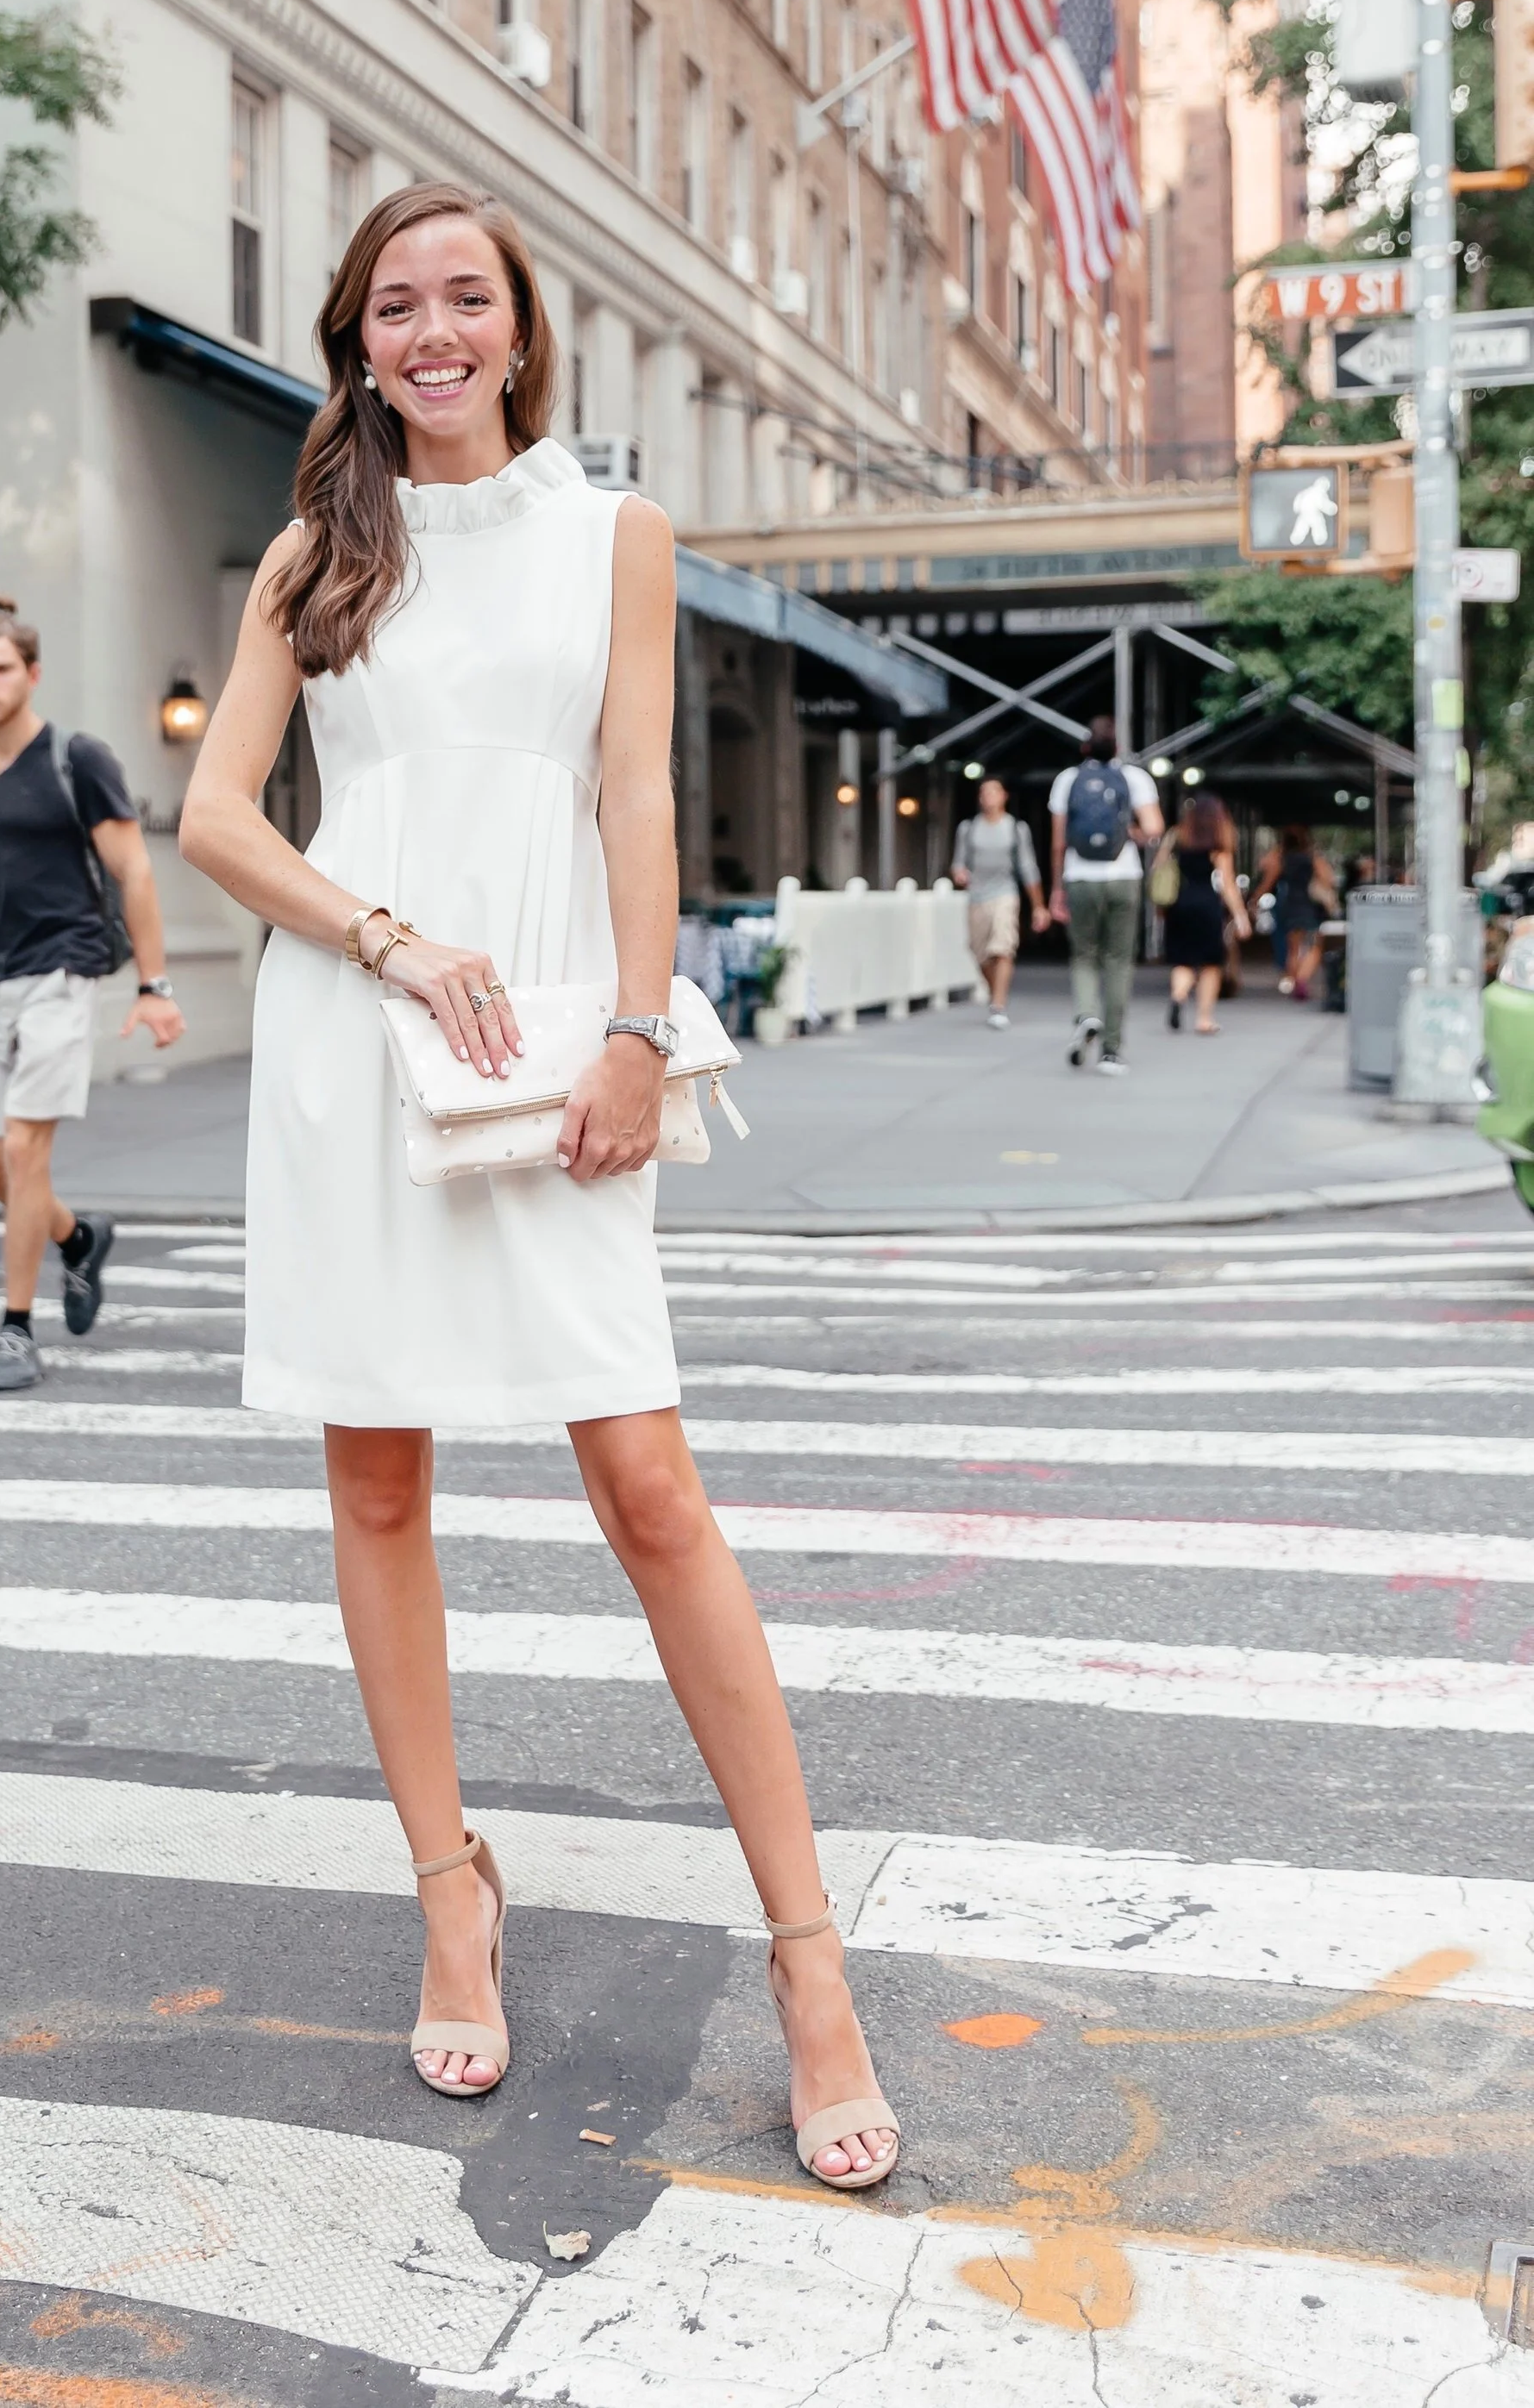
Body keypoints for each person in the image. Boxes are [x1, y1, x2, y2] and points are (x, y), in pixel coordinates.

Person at [179, 180, 898, 2194]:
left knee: (649, 1488)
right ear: (361, 337)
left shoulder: (616, 539)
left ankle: (810, 1957)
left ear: (515, 331)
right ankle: (447, 1888)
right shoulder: (317, 550)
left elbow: (633, 796)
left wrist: (639, 1034)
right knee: (378, 1480)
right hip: (359, 1047)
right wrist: (392, 937)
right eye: (395, 304)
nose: (431, 331)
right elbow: (217, 815)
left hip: (566, 1058)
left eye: (463, 300)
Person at [0, 601, 185, 1393]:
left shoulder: (75, 758)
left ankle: (16, 1330)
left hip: (64, 971)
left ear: (32, 672)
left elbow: (134, 870)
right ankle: (78, 1235)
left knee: (27, 1152)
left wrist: (153, 986)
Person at [1048, 719, 1163, 1076]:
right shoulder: (1134, 778)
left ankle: (1087, 1014)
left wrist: (1056, 888)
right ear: (1117, 750)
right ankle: (1111, 1050)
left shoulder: (1068, 780)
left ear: (1085, 749)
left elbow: (1058, 841)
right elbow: (1154, 829)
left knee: (1084, 955)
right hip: (1123, 877)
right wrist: (1126, 831)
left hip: (1080, 877)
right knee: (1118, 960)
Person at [949, 774, 1048, 1026]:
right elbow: (959, 862)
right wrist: (959, 873)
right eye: (984, 793)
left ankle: (998, 1005)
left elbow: (1028, 867)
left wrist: (1038, 906)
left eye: (994, 791)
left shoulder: (1015, 828)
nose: (989, 797)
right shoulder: (968, 828)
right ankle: (996, 994)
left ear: (1004, 796)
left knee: (1003, 948)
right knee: (980, 953)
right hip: (977, 896)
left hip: (1005, 893)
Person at [1161, 791, 1249, 1033]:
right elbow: (1228, 884)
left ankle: (1179, 995)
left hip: (1179, 904)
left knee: (1183, 960)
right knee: (1211, 964)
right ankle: (1204, 1019)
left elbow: (1159, 867)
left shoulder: (1177, 836)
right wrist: (1241, 917)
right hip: (1207, 905)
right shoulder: (1218, 843)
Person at [1253, 821, 1337, 999]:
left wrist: (1253, 900)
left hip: (1288, 903)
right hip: (1308, 904)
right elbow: (1328, 878)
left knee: (1294, 947)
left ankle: (1293, 979)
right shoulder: (1312, 857)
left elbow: (1267, 878)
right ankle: (1302, 978)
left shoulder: (1281, 858)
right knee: (1315, 946)